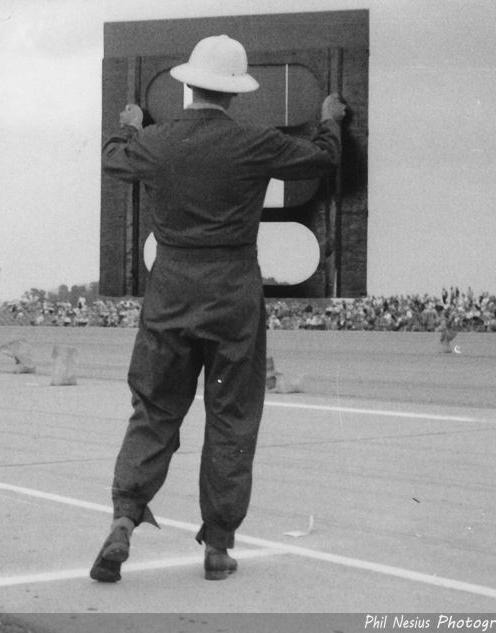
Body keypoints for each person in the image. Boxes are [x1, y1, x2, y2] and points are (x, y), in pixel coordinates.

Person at [91, 34, 345, 583]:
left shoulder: (155, 142)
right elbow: (322, 160)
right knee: (231, 420)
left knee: (154, 412)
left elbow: (113, 160)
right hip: (233, 294)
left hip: (170, 291)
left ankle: (125, 518)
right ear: (234, 93)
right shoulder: (254, 142)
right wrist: (330, 120)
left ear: (190, 85)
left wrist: (128, 126)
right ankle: (218, 545)